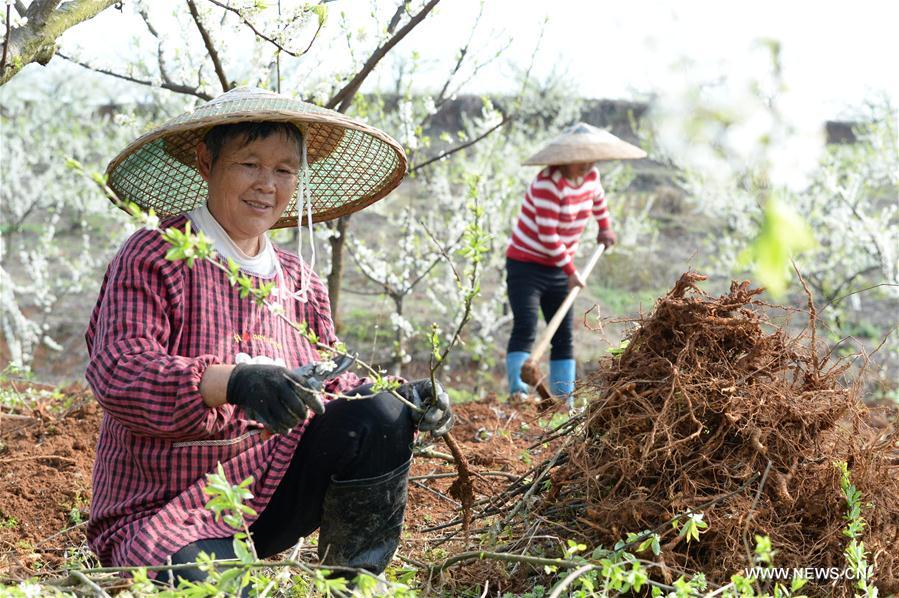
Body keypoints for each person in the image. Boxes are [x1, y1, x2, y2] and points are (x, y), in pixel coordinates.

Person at [84, 87, 453, 586]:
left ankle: (351, 583)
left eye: (283, 170)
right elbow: (120, 373)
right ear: (205, 160)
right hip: (163, 509)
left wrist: (403, 398)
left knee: (380, 413)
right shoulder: (154, 255)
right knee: (207, 584)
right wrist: (233, 382)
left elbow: (334, 388)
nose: (267, 185)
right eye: (250, 163)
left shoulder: (299, 280)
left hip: (265, 488)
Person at [505, 122, 646, 405]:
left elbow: (599, 202)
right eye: (581, 159)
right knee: (526, 325)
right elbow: (547, 235)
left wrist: (604, 228)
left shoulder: (591, 176)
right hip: (526, 265)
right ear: (565, 159)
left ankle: (563, 399)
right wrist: (571, 271)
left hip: (558, 266)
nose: (588, 164)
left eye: (591, 157)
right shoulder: (548, 184)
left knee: (563, 333)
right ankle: (519, 392)